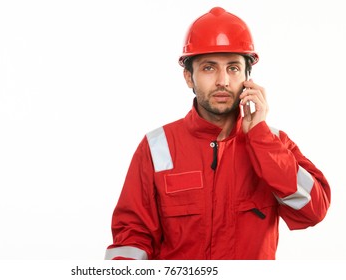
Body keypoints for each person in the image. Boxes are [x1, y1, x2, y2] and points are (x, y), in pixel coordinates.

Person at [104, 6, 331, 260]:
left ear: (248, 77)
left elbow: (314, 210)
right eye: (209, 68)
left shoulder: (273, 143)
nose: (223, 80)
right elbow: (132, 239)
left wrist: (261, 139)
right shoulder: (157, 146)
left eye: (233, 68)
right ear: (189, 77)